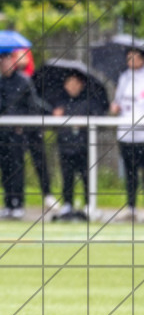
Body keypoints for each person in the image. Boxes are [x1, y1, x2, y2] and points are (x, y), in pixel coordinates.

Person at [0, 50, 47, 219]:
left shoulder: (24, 81)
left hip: (18, 134)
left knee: (17, 168)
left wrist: (22, 125)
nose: (5, 64)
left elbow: (32, 106)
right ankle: (8, 203)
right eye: (2, 61)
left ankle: (18, 203)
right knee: (4, 169)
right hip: (2, 133)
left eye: (8, 60)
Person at [51, 71, 107, 219]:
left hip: (83, 147)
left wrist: (83, 122)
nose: (72, 86)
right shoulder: (59, 102)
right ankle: (67, 204)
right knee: (67, 177)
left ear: (81, 85)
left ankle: (89, 204)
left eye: (76, 83)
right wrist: (55, 116)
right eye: (69, 83)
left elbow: (99, 118)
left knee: (86, 176)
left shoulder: (89, 102)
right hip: (65, 146)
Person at [15, 48, 57, 212]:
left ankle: (48, 195)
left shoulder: (36, 78)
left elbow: (37, 102)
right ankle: (17, 201)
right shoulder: (13, 80)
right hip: (19, 130)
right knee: (16, 165)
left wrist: (48, 113)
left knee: (41, 162)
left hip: (34, 129)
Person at [111, 45, 144, 221]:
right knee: (130, 174)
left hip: (142, 135)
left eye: (134, 57)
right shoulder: (124, 78)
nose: (130, 60)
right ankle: (131, 208)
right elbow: (118, 102)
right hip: (125, 133)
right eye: (128, 57)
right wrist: (114, 107)